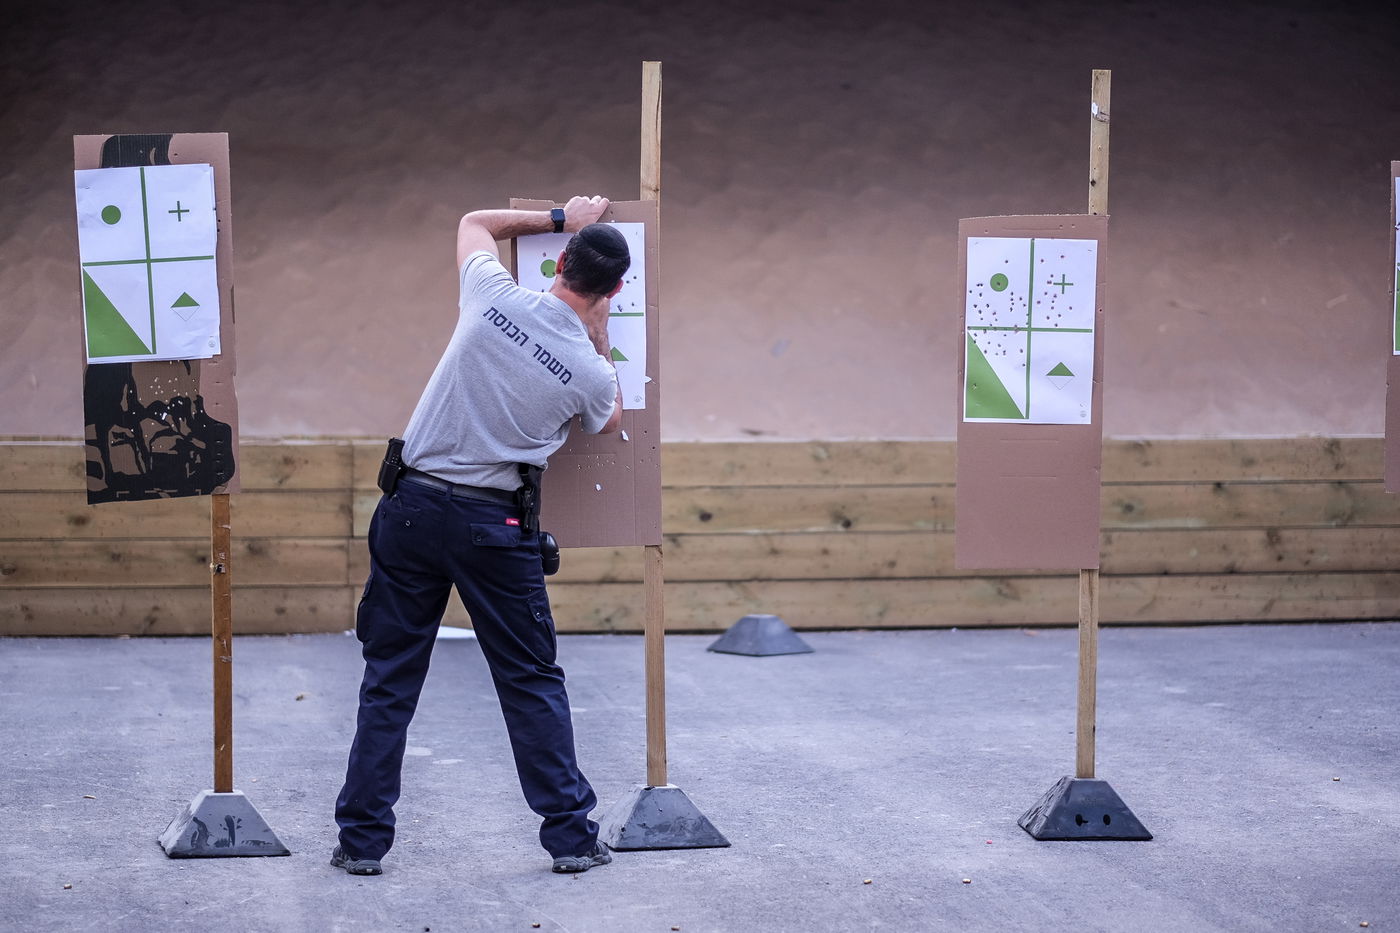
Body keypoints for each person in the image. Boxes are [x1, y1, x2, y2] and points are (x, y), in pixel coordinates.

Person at [332, 195, 627, 876]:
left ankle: (362, 842)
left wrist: (562, 215)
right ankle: (570, 839)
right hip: (495, 527)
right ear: (613, 291)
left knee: (389, 679)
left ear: (559, 263)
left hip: (410, 507)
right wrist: (599, 335)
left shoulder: (492, 294)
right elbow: (609, 419)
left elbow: (475, 224)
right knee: (529, 681)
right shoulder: (589, 370)